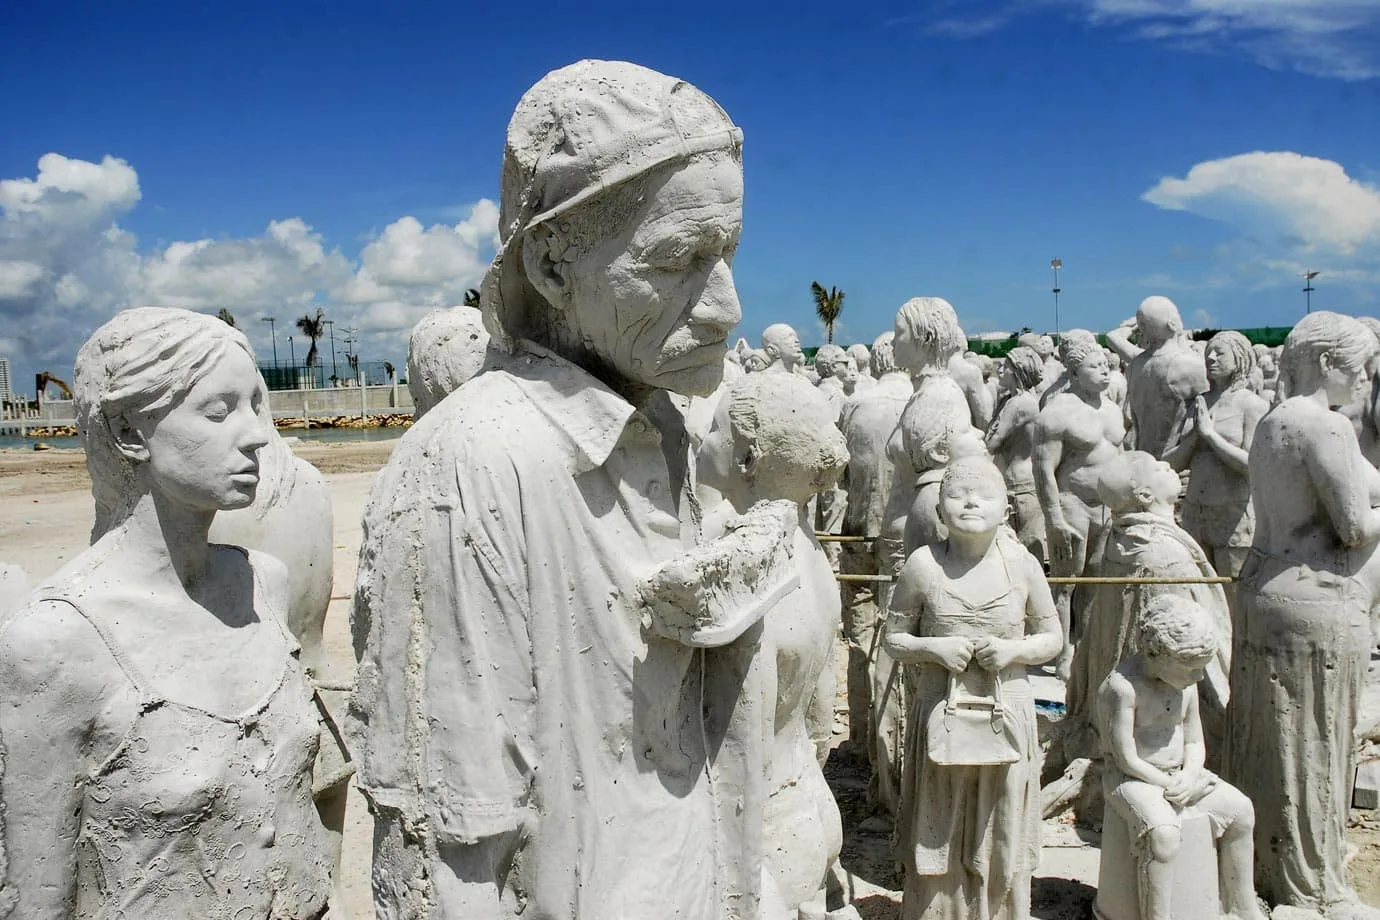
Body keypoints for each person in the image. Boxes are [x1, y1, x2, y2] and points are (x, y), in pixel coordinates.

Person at [345, 60, 763, 919]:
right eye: (680, 259)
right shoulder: (474, 467)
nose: (727, 304)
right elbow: (446, 844)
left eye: (727, 253)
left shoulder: (663, 427)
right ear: (551, 263)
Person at [0, 308, 334, 919]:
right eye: (218, 412)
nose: (258, 434)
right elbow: (35, 896)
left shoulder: (265, 585)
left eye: (255, 405)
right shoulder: (56, 642)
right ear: (130, 433)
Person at [1225, 312, 1380, 918]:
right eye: (1358, 367)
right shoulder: (1327, 427)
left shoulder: (1272, 422)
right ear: (1326, 363)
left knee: (1272, 744)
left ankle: (1267, 862)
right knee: (1313, 745)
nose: (1365, 380)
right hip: (1317, 603)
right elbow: (1354, 526)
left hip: (1268, 589)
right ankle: (1313, 884)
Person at [697, 372, 860, 920]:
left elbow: (737, 745)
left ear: (746, 459)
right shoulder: (807, 548)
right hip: (808, 798)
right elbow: (817, 714)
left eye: (715, 430)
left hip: (761, 827)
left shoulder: (748, 570)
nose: (704, 441)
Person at [883, 456, 1062, 920]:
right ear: (939, 510)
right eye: (957, 495)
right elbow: (894, 639)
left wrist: (1012, 652)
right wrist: (937, 649)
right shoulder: (923, 566)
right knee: (940, 819)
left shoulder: (1022, 565)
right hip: (942, 708)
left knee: (1002, 823)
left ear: (1006, 509)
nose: (970, 503)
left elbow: (1053, 639)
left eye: (984, 494)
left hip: (1008, 710)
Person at [1098, 595, 1264, 920]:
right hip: (1130, 780)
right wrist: (1173, 784)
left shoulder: (1184, 683)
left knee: (1241, 810)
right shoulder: (1122, 689)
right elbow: (1125, 757)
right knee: (1163, 835)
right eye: (1192, 668)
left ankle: (1242, 907)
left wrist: (1189, 776)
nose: (1200, 677)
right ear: (1157, 654)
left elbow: (1194, 741)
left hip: (1178, 775)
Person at [836, 332, 912, 753]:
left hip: (858, 524)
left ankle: (862, 735)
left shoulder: (856, 405)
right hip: (903, 532)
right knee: (899, 628)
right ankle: (893, 742)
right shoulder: (919, 404)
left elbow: (841, 472)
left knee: (859, 632)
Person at [1033, 333, 1125, 677]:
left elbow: (1120, 455)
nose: (1103, 372)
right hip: (1072, 504)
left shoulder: (1114, 409)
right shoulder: (1056, 413)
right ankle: (1062, 652)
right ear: (1073, 372)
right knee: (1065, 582)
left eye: (1105, 365)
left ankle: (1084, 644)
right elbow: (1043, 469)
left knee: (1095, 578)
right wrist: (1054, 516)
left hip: (1107, 506)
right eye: (1094, 366)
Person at [1164, 330, 1268, 581]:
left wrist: (1211, 436)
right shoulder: (1197, 403)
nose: (1210, 358)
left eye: (1219, 352)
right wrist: (1195, 438)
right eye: (1208, 352)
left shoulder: (1251, 404)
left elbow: (1253, 466)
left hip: (1232, 514)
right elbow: (1170, 463)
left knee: (1233, 592)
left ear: (1240, 358)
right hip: (1194, 512)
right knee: (1200, 589)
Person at [1105, 296, 1208, 459]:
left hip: (1144, 457)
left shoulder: (1137, 364)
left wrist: (1136, 325)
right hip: (1176, 461)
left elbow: (1112, 337)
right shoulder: (1187, 365)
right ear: (1172, 322)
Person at [985, 345, 1046, 562]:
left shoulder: (1018, 404)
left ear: (1018, 370)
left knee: (1022, 551)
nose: (1000, 370)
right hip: (1019, 481)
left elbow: (992, 443)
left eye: (1005, 366)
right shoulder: (1014, 400)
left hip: (1019, 486)